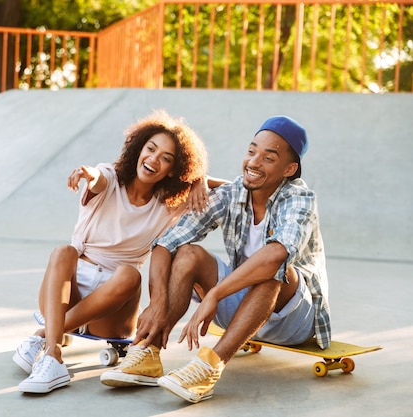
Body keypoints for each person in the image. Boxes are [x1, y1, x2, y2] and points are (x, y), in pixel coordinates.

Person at [100, 115, 331, 404]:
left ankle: (209, 366)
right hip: (243, 308)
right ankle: (149, 351)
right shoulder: (232, 194)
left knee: (274, 269)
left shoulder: (300, 199)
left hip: (293, 319)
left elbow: (275, 257)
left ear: (289, 169)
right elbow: (164, 244)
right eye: (251, 151)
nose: (254, 162)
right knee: (187, 253)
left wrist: (215, 295)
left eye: (268, 158)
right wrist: (158, 303)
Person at [13, 110, 218, 394]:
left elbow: (237, 188)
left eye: (166, 158)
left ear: (173, 169)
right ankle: (52, 356)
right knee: (64, 251)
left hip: (114, 305)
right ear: (138, 149)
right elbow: (98, 178)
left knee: (129, 273)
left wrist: (200, 179)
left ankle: (43, 335)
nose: (153, 160)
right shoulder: (109, 177)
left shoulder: (169, 203)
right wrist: (88, 174)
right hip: (67, 293)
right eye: (150, 149)